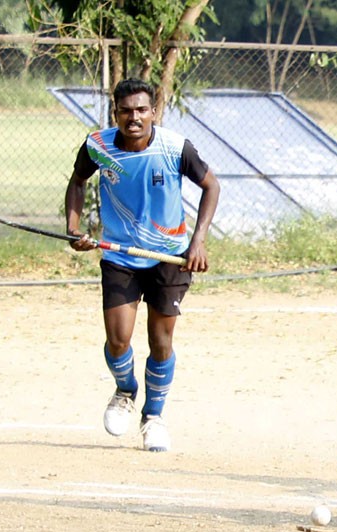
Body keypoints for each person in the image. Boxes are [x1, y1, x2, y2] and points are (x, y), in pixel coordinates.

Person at [65, 78, 220, 452]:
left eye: (141, 110)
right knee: (118, 339)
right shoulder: (98, 146)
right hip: (120, 255)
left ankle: (153, 416)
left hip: (169, 257)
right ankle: (125, 390)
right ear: (115, 113)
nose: (133, 117)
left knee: (160, 341)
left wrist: (198, 241)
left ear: (153, 111)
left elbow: (211, 186)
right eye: (125, 111)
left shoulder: (175, 147)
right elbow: (77, 182)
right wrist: (73, 229)